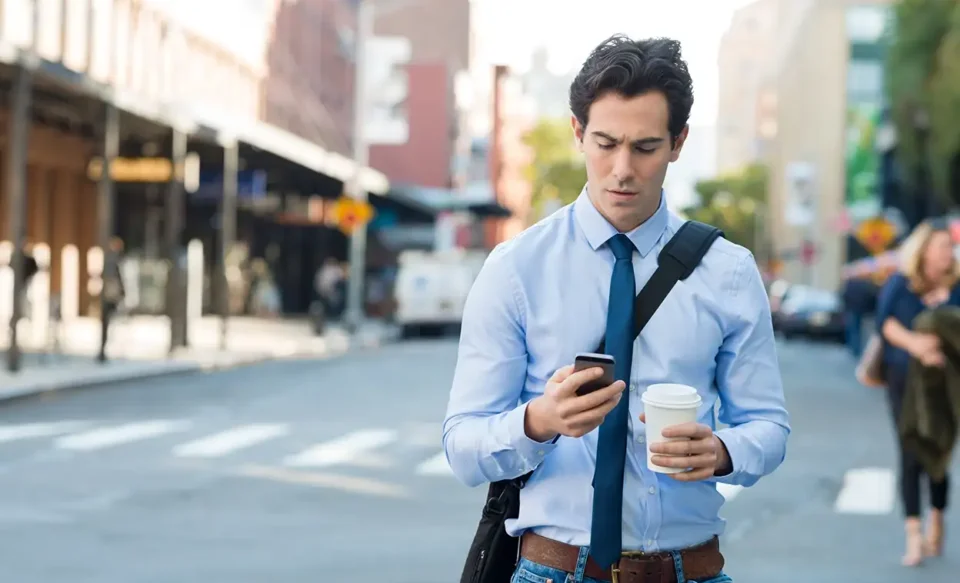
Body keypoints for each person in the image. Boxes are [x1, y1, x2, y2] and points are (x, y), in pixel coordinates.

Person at [442, 34, 790, 583]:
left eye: (645, 147)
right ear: (578, 133)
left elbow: (768, 426)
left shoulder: (729, 271)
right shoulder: (516, 269)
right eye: (605, 143)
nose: (622, 169)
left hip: (690, 570)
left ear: (678, 142)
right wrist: (539, 421)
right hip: (552, 569)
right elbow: (463, 446)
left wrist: (722, 452)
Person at [876, 219, 959, 567]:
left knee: (937, 452)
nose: (947, 253)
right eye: (941, 246)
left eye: (949, 248)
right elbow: (885, 323)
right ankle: (914, 535)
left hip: (945, 386)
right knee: (910, 451)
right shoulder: (901, 283)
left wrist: (940, 347)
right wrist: (916, 344)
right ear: (924, 250)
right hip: (904, 381)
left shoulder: (957, 287)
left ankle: (936, 518)